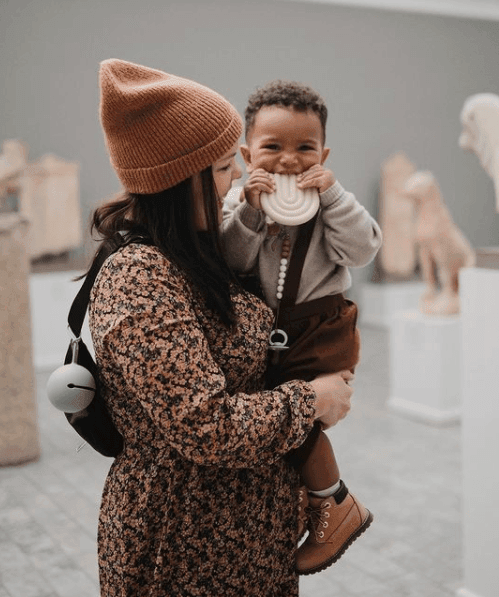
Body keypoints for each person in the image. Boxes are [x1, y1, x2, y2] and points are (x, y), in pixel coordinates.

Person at [88, 59, 354, 597]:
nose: (235, 179)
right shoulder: (137, 276)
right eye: (219, 170)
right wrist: (313, 399)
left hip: (252, 551)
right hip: (183, 553)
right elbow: (205, 425)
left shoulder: (200, 250)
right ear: (175, 181)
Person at [221, 80, 382, 575]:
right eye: (272, 147)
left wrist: (331, 195)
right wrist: (249, 209)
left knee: (302, 417)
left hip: (319, 329)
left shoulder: (335, 202)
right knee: (279, 417)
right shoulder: (237, 199)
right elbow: (229, 258)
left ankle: (335, 504)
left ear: (323, 153)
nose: (288, 160)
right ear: (248, 153)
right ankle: (311, 503)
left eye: (304, 148)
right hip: (265, 332)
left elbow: (363, 249)